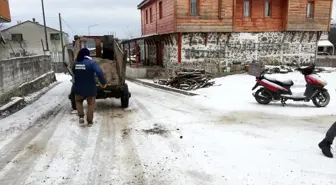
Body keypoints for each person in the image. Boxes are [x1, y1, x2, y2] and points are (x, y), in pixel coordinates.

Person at [72, 48, 107, 127]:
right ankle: (89, 121)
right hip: (90, 88)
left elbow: (73, 72)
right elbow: (99, 72)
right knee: (91, 104)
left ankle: (81, 116)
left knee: (78, 101)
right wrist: (103, 83)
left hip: (78, 87)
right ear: (88, 55)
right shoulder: (92, 63)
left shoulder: (76, 62)